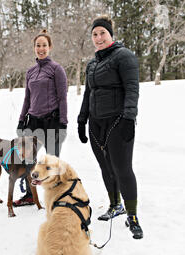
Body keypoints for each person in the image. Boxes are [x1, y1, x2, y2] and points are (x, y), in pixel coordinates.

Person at [77, 15, 143, 239]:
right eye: (94, 34)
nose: (98, 38)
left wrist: (128, 118)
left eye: (102, 33)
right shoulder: (92, 64)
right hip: (96, 124)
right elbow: (88, 93)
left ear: (110, 34)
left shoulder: (124, 56)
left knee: (122, 169)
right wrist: (81, 119)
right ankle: (115, 205)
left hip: (118, 120)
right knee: (106, 168)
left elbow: (132, 88)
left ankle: (132, 215)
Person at [14, 29, 68, 207]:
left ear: (50, 47)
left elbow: (62, 97)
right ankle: (31, 195)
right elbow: (27, 98)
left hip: (52, 121)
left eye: (44, 45)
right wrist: (22, 120)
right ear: (34, 48)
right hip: (33, 121)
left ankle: (55, 196)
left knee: (51, 161)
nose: (41, 49)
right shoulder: (30, 72)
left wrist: (63, 122)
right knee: (28, 159)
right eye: (38, 45)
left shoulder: (56, 69)